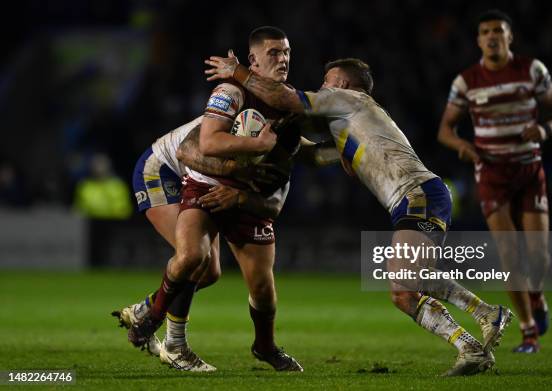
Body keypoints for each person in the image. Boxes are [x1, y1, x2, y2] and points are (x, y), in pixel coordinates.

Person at [205, 55, 513, 376]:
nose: (322, 86)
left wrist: (238, 73)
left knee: (404, 286)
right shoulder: (353, 117)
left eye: (327, 80)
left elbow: (284, 97)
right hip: (417, 196)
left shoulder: (347, 98)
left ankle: (475, 339)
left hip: (417, 194)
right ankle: (483, 321)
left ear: (341, 84)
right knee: (407, 286)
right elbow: (312, 148)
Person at [127, 26, 309, 372]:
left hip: (237, 189)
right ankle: (164, 330)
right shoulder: (230, 91)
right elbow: (199, 147)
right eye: (274, 53)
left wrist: (241, 195)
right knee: (195, 260)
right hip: (177, 172)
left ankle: (263, 345)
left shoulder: (290, 111)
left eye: (286, 53)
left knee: (260, 285)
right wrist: (256, 148)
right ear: (252, 61)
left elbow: (275, 198)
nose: (283, 59)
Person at [436, 9, 552, 353]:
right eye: (485, 32)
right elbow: (445, 131)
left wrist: (543, 129)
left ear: (510, 37)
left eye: (498, 30)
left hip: (528, 171)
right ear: (478, 40)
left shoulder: (531, 71)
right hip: (492, 175)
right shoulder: (466, 81)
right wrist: (462, 145)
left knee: (538, 257)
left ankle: (536, 295)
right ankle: (528, 333)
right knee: (510, 256)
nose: (492, 36)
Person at [113, 114, 288, 370]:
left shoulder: (276, 138)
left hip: (190, 174)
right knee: (196, 258)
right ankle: (174, 345)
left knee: (210, 272)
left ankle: (146, 309)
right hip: (162, 169)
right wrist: (237, 171)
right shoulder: (221, 121)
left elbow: (278, 196)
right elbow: (187, 153)